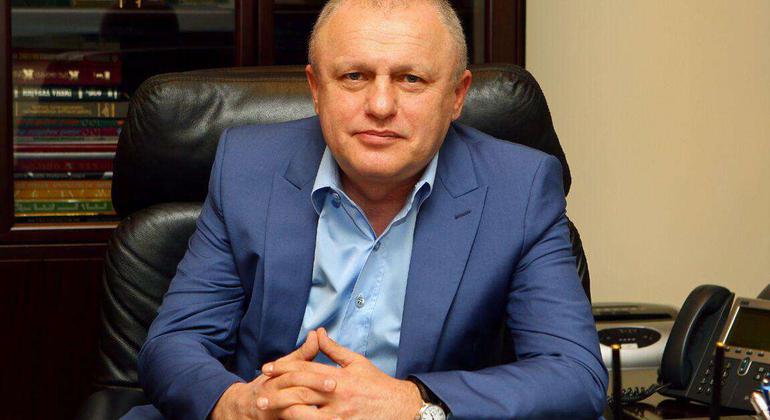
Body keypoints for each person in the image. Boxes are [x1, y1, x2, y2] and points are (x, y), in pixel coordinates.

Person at [123, 0, 608, 419]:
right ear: (316, 88)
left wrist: (412, 404)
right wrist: (240, 404)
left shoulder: (518, 189)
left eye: (411, 79)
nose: (380, 104)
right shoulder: (248, 167)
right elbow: (175, 343)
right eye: (354, 76)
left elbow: (572, 375)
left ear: (457, 96)